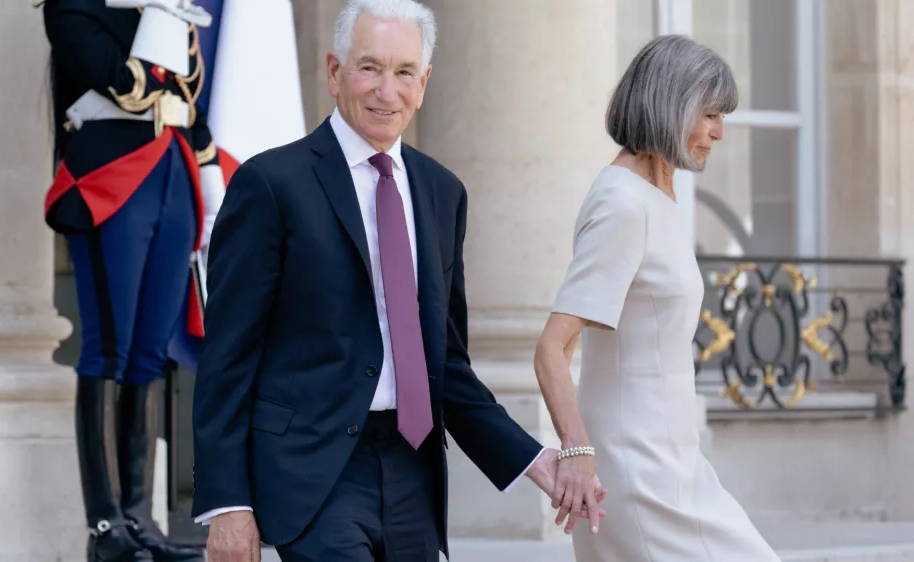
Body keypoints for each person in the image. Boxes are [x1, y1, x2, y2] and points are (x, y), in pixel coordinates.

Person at [189, 1, 605, 560]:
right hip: (312, 477)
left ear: (424, 82)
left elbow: (446, 367)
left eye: (404, 72)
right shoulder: (270, 185)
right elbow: (226, 358)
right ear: (334, 72)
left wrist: (535, 461)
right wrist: (227, 503)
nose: (388, 90)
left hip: (414, 474)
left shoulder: (442, 193)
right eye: (370, 68)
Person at [533, 34, 781, 561]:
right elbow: (554, 345)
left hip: (674, 461)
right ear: (670, 105)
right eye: (709, 113)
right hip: (638, 471)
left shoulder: (659, 195)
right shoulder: (624, 203)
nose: (719, 132)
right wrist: (578, 452)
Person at [41, 0, 226, 560]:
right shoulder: (75, 6)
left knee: (148, 352)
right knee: (109, 349)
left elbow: (188, 102)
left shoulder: (170, 10)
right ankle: (104, 527)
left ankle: (139, 519)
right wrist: (159, 16)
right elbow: (125, 81)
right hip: (109, 178)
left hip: (172, 176)